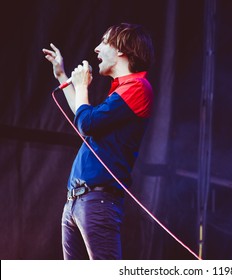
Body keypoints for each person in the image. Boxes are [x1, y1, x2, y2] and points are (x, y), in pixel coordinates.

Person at [42, 23, 154, 260]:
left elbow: (87, 123)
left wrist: (81, 86)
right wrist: (62, 76)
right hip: (78, 200)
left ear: (122, 50)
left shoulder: (137, 87)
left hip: (98, 200)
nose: (96, 48)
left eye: (104, 42)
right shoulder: (120, 91)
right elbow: (86, 120)